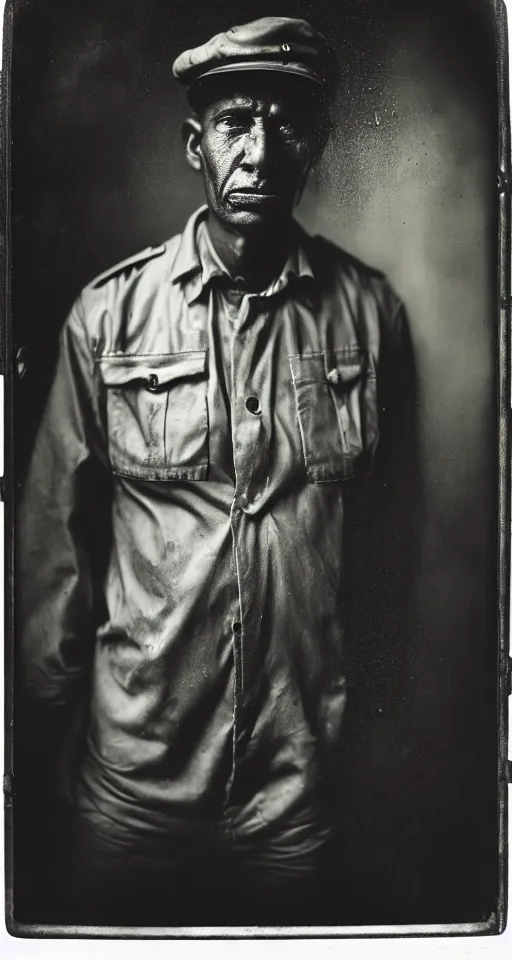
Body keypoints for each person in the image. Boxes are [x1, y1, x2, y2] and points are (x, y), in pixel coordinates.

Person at [17, 17, 414, 927]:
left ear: (315, 142)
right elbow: (50, 560)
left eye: (286, 123)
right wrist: (40, 736)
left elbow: (395, 546)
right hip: (131, 789)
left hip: (297, 794)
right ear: (196, 146)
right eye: (236, 121)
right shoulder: (106, 320)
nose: (261, 150)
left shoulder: (369, 315)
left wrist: (366, 729)